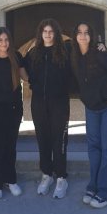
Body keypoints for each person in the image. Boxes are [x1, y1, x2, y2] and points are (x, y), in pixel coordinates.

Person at [70, 22, 107, 209]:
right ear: (75, 35)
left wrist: (106, 93)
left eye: (86, 32)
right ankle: (94, 186)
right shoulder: (74, 57)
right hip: (91, 108)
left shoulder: (101, 54)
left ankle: (106, 192)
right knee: (94, 147)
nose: (83, 35)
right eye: (79, 32)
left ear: (91, 35)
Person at [24, 18, 71, 199]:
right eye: (45, 31)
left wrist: (100, 45)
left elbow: (84, 50)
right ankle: (47, 174)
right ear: (40, 33)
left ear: (56, 33)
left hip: (59, 102)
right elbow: (20, 65)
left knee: (59, 140)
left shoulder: (65, 50)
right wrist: (30, 81)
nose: (48, 34)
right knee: (42, 138)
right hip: (39, 102)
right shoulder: (34, 53)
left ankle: (61, 177)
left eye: (51, 31)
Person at [0, 27, 28, 200]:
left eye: (6, 40)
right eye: (0, 40)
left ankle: (10, 179)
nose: (3, 43)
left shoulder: (16, 57)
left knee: (11, 145)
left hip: (15, 108)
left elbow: (25, 77)